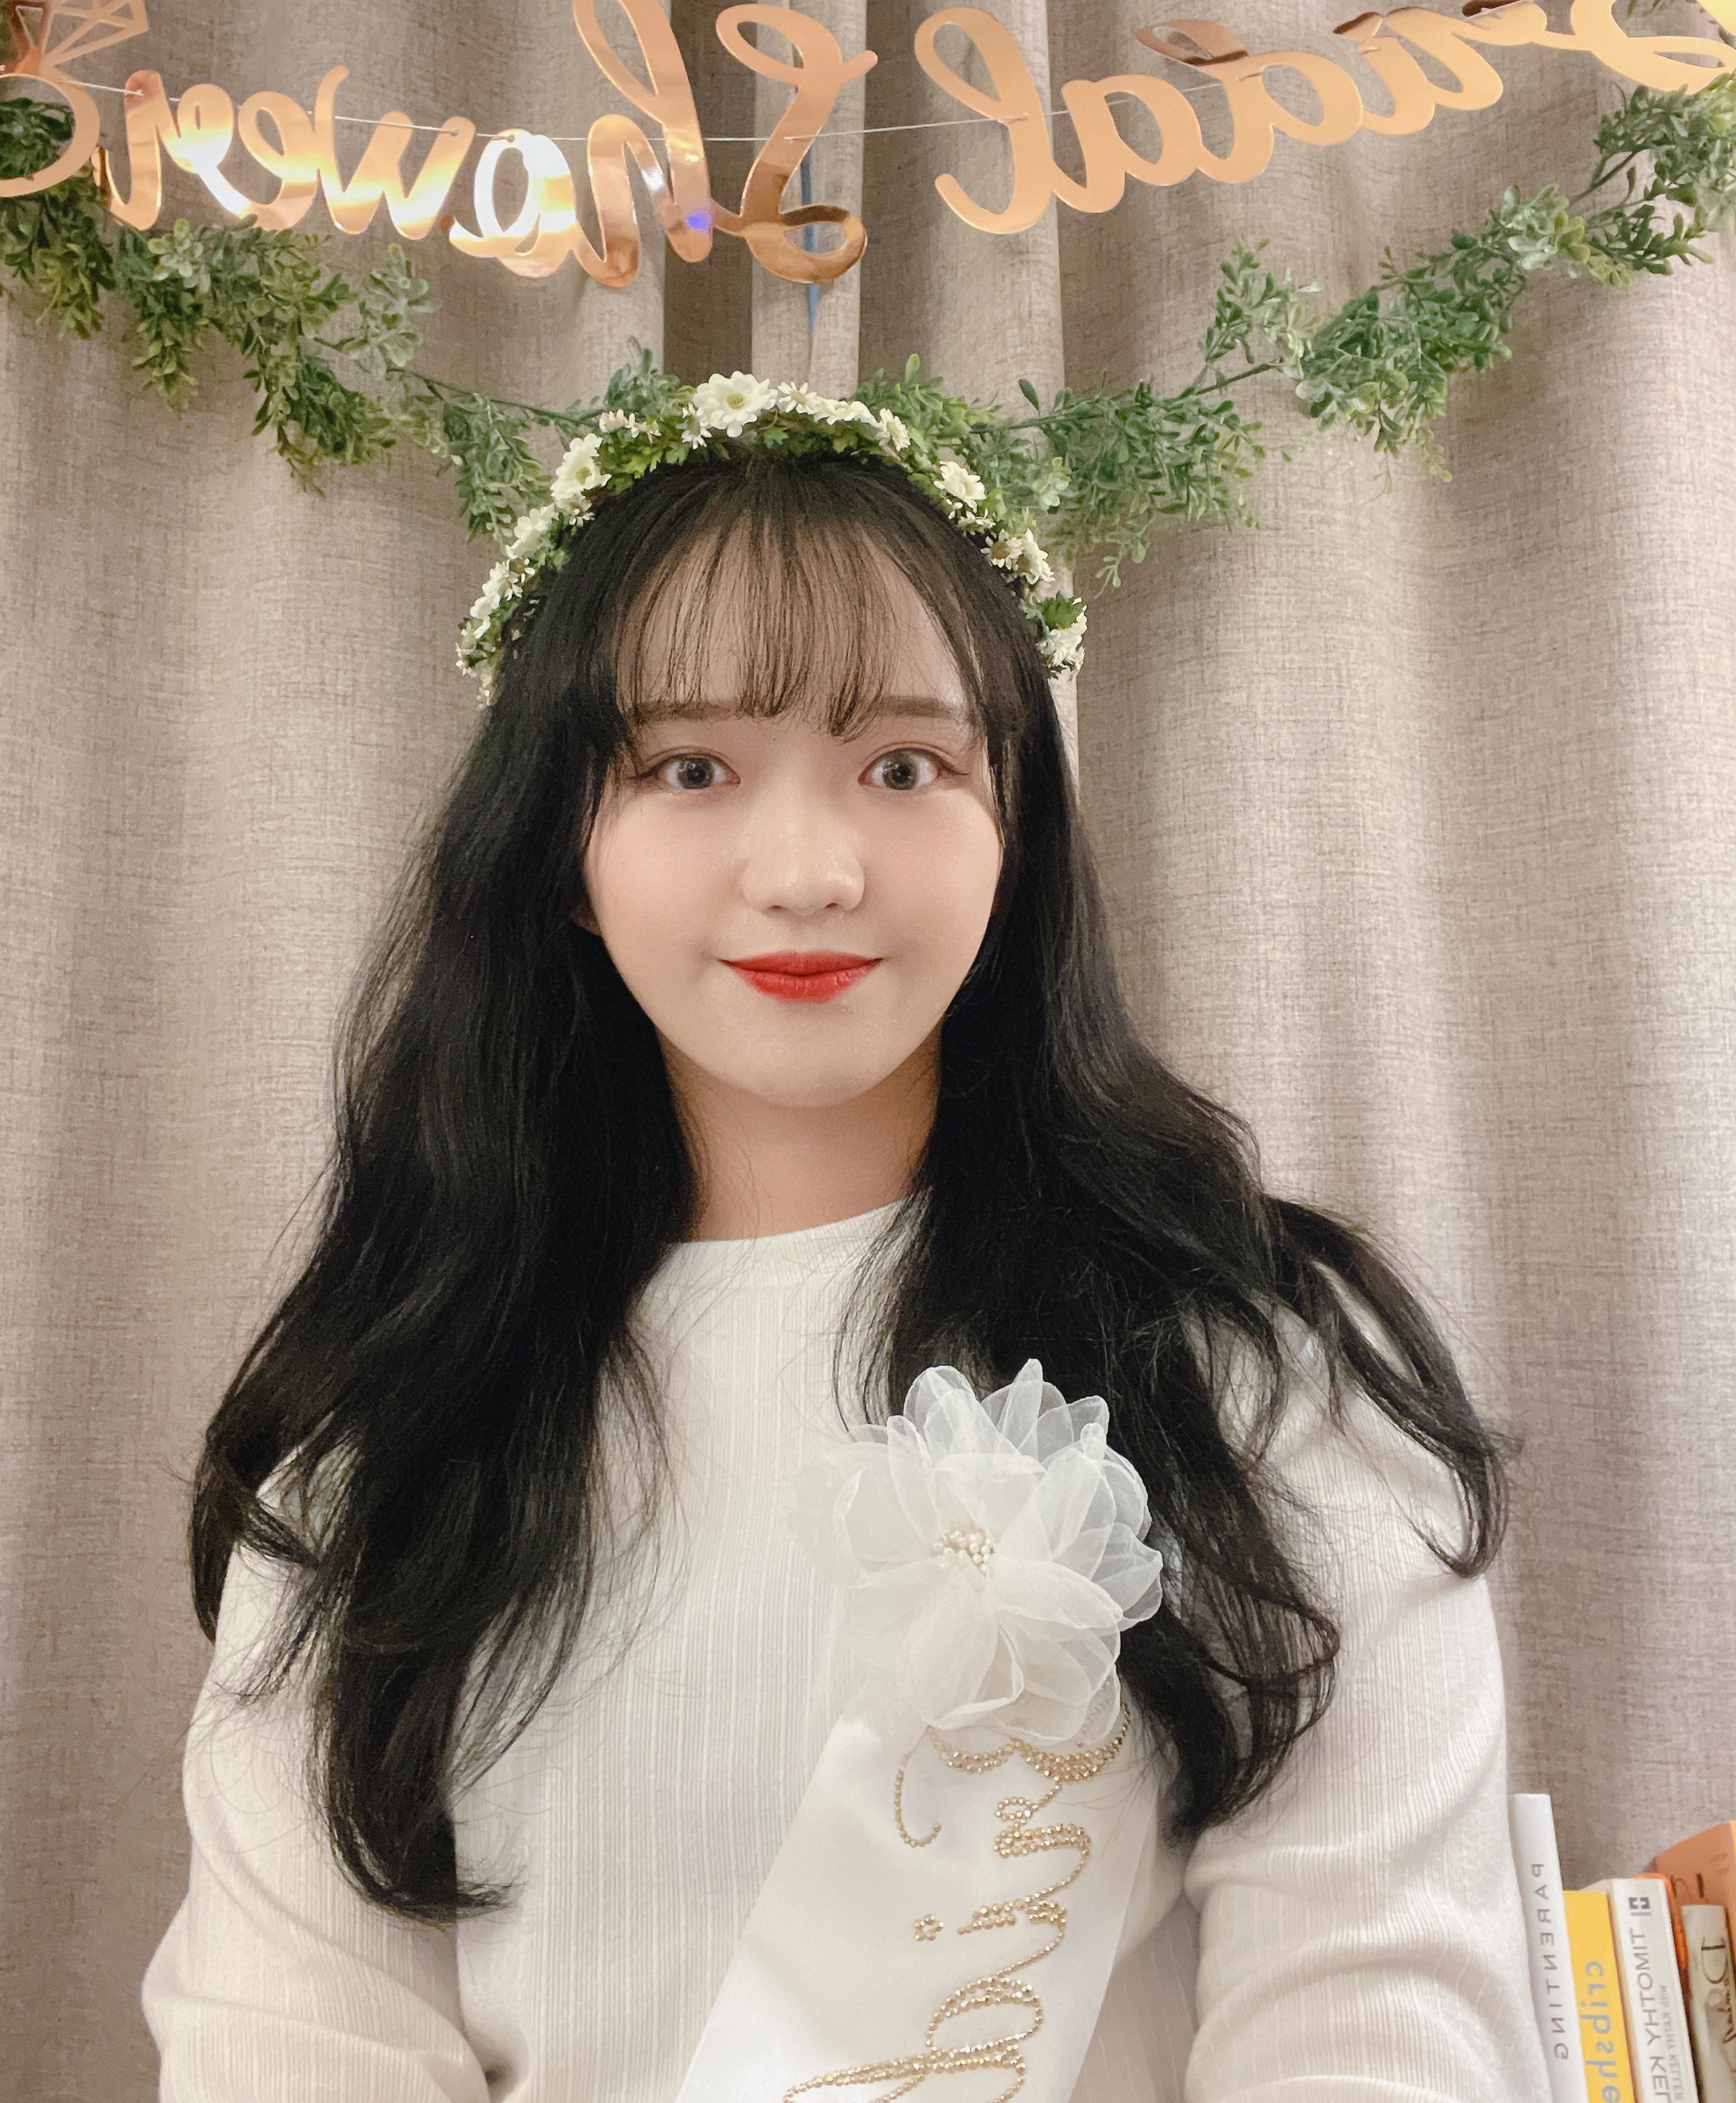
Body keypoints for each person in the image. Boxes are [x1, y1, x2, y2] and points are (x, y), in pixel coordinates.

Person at [144, 371, 1551, 2101]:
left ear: (1012, 825)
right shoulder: (390, 1431)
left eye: (902, 764)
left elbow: (1377, 2024)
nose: (807, 869)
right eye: (690, 767)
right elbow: (290, 2043)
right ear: (563, 845)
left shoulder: (1258, 1374)